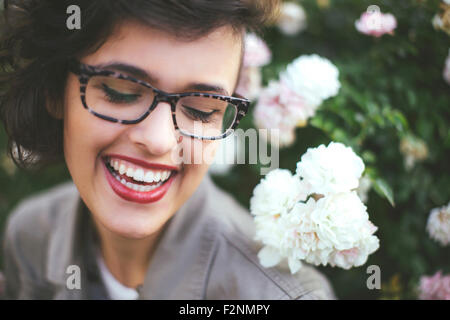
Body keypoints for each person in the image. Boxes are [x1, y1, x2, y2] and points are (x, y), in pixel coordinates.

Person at [0, 0, 335, 299]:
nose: (160, 141)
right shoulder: (31, 237)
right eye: (120, 92)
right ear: (55, 91)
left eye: (202, 109)